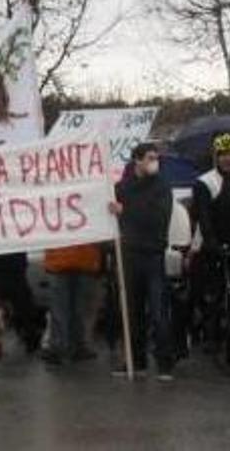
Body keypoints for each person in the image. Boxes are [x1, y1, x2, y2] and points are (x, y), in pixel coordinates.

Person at [110, 142, 175, 381]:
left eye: (156, 158)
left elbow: (157, 217)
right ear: (137, 160)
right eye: (149, 157)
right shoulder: (122, 188)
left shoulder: (162, 186)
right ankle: (137, 361)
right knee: (132, 311)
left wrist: (124, 211)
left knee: (158, 312)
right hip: (129, 255)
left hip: (153, 256)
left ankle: (165, 363)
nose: (154, 161)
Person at [190, 133, 230, 359]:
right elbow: (203, 218)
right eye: (223, 154)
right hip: (213, 245)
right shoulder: (205, 182)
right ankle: (211, 336)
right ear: (216, 156)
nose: (227, 159)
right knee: (213, 294)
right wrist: (214, 244)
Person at [41, 244, 103, 365]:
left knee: (60, 309)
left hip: (58, 260)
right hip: (86, 259)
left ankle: (59, 348)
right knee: (81, 309)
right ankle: (79, 345)